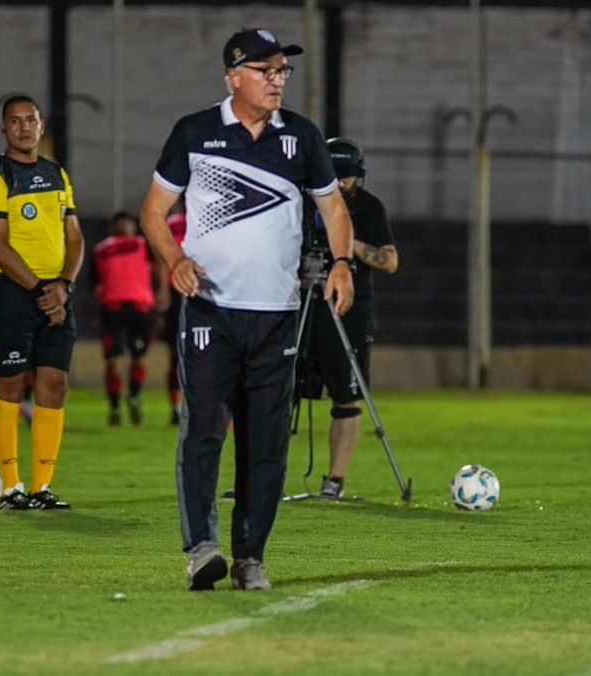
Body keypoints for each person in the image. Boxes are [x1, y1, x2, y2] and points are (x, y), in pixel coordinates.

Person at [139, 27, 354, 591]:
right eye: (265, 71)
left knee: (265, 445)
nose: (277, 80)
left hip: (276, 316)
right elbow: (153, 211)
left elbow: (333, 209)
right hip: (210, 311)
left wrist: (341, 264)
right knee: (204, 432)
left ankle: (250, 557)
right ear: (233, 76)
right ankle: (201, 549)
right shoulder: (195, 132)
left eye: (282, 71)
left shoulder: (302, 137)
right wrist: (173, 259)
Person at [0, 94, 84, 511]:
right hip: (13, 294)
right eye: (15, 121)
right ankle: (10, 487)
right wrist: (43, 292)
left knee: (54, 383)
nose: (24, 127)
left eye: (30, 120)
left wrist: (64, 288)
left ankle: (41, 487)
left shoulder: (57, 173)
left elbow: (75, 238)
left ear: (42, 126)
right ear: (3, 128)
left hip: (57, 295)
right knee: (11, 383)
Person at [302, 137, 398, 499]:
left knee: (347, 395)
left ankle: (335, 479)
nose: (341, 183)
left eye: (347, 176)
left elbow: (390, 261)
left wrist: (347, 242)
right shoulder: (301, 201)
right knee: (274, 393)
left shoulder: (369, 207)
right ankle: (259, 478)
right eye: (335, 175)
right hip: (300, 304)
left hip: (348, 311)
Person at [91, 210, 160, 426]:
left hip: (135, 307)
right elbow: (95, 283)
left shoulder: (142, 245)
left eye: (127, 223)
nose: (124, 227)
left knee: (135, 358)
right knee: (114, 361)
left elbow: (159, 267)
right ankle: (116, 405)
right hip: (121, 307)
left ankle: (132, 397)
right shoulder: (103, 250)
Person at [160, 210, 188, 425]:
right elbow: (162, 259)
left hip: (206, 292)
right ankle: (176, 407)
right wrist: (164, 291)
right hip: (179, 291)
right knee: (176, 353)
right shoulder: (173, 223)